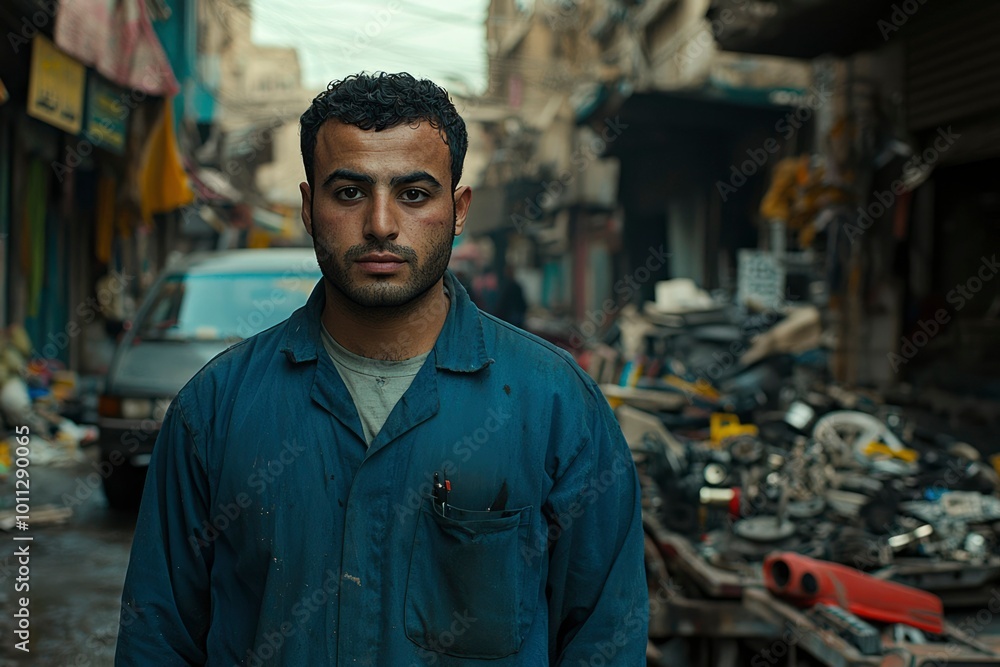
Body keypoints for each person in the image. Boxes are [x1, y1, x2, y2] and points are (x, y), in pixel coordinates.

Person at [115, 72, 647, 666]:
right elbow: (156, 639)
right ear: (308, 208)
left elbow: (605, 637)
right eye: (348, 192)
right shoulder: (215, 408)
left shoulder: (555, 405)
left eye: (414, 194)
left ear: (459, 208)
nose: (381, 225)